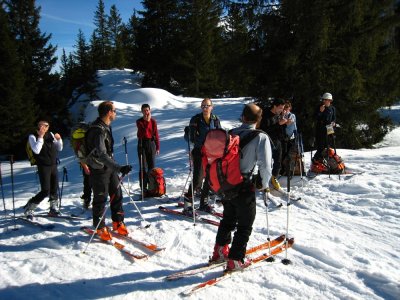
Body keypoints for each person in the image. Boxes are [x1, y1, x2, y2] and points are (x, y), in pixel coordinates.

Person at [209, 103, 273, 271]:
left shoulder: (231, 134)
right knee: (245, 222)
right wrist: (265, 185)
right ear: (259, 120)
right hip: (244, 184)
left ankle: (220, 252)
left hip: (226, 184)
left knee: (228, 217)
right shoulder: (261, 137)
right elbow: (265, 166)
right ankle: (236, 260)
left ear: (243, 117)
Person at [85, 101, 132, 240]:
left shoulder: (106, 127)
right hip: (99, 169)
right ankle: (99, 228)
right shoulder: (98, 130)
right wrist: (119, 167)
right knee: (101, 197)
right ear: (109, 112)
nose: (116, 113)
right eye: (115, 111)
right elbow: (102, 154)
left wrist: (115, 167)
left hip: (109, 167)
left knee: (116, 194)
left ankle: (118, 222)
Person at [184, 98, 221, 213]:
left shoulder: (215, 119)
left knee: (210, 178)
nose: (205, 108)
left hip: (211, 152)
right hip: (199, 151)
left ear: (212, 107)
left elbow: (219, 134)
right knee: (197, 179)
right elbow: (190, 138)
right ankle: (187, 204)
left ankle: (204, 203)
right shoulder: (196, 119)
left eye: (207, 106)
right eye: (203, 106)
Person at [23, 120, 63, 219]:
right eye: (42, 125)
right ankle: (30, 207)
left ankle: (53, 208)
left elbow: (59, 148)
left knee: (54, 188)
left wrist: (59, 140)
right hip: (43, 166)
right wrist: (40, 136)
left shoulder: (50, 134)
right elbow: (36, 150)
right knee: (45, 190)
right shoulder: (32, 136)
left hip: (53, 165)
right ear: (38, 126)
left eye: (46, 126)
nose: (44, 127)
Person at [259, 98, 289, 190]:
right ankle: (262, 181)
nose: (281, 110)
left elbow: (279, 127)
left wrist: (285, 123)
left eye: (282, 108)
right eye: (280, 108)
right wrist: (279, 124)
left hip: (277, 140)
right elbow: (264, 130)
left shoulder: (278, 114)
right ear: (274, 106)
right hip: (267, 141)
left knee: (278, 161)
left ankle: (274, 177)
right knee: (266, 163)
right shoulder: (266, 114)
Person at [136, 104, 160, 195]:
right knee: (143, 166)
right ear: (142, 111)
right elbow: (144, 133)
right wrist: (147, 121)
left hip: (151, 143)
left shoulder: (153, 121)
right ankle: (143, 188)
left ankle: (152, 186)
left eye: (147, 110)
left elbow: (156, 134)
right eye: (144, 110)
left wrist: (157, 146)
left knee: (152, 166)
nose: (146, 112)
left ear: (150, 111)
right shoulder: (139, 122)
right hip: (142, 144)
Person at [312, 92, 336, 162]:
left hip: (329, 128)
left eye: (327, 100)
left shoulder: (333, 108)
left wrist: (334, 123)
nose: (325, 101)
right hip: (320, 128)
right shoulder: (320, 107)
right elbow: (315, 118)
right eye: (324, 100)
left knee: (328, 146)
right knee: (321, 146)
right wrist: (320, 112)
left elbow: (334, 118)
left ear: (330, 101)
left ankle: (325, 160)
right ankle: (315, 159)